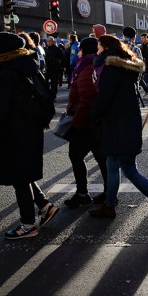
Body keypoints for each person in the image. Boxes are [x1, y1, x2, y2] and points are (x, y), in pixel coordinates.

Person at [88, 35, 148, 223]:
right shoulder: (123, 67)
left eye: (98, 47)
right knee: (112, 164)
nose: (97, 50)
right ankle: (109, 205)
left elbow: (104, 98)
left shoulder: (111, 70)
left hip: (119, 126)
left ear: (106, 48)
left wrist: (92, 115)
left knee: (128, 169)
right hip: (123, 123)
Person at [0, 32, 59, 239]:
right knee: (24, 173)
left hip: (13, 132)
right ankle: (44, 205)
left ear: (3, 52)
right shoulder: (29, 67)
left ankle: (28, 225)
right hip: (31, 129)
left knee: (19, 178)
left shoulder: (5, 75)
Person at [63, 37, 108, 209]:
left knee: (76, 155)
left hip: (86, 123)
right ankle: (108, 193)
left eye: (80, 49)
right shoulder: (92, 65)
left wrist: (76, 125)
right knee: (100, 157)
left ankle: (82, 194)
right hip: (95, 121)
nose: (78, 52)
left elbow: (87, 99)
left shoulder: (87, 67)